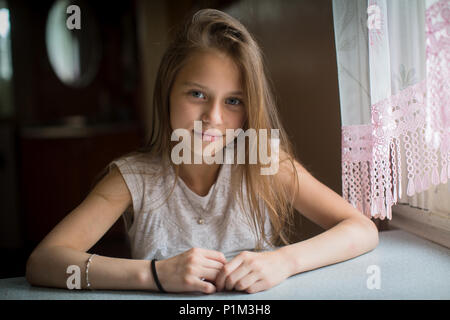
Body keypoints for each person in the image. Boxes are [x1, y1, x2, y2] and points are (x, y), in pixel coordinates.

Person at [25, 8, 379, 295]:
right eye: (197, 94)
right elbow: (44, 262)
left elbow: (362, 229)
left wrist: (283, 262)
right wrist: (155, 275)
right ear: (167, 90)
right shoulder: (133, 178)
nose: (213, 117)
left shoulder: (263, 162)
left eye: (234, 101)